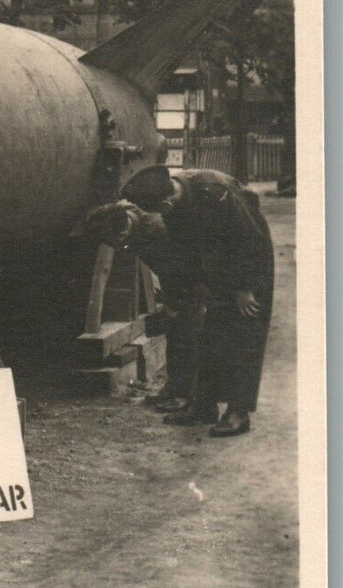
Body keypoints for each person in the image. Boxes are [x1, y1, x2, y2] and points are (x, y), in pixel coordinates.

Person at [101, 166, 274, 437]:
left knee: (242, 336)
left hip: (251, 265)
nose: (159, 215)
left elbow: (248, 238)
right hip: (217, 265)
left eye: (159, 210)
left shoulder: (214, 192)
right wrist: (195, 284)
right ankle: (204, 406)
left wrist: (244, 287)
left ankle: (238, 413)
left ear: (166, 202)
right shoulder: (175, 205)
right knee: (209, 334)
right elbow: (185, 249)